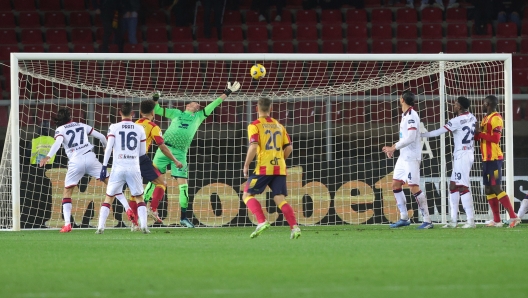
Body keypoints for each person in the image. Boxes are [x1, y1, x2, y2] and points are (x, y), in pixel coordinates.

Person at [143, 81, 241, 227]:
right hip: (164, 149)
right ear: (187, 106)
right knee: (153, 180)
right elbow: (155, 109)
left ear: (196, 109)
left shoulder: (199, 116)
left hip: (181, 153)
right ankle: (143, 208)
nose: (194, 103)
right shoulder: (176, 113)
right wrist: (155, 97)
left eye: (196, 104)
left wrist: (227, 92)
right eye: (192, 102)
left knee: (183, 187)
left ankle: (183, 217)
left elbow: (214, 105)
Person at [38, 107, 135, 232]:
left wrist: (48, 156)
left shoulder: (60, 129)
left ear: (59, 120)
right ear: (70, 117)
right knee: (111, 184)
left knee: (67, 192)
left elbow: (58, 143)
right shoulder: (81, 125)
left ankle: (67, 224)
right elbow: (101, 136)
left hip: (75, 161)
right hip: (90, 158)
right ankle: (127, 208)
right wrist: (106, 147)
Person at [242, 97, 301, 239]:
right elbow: (289, 147)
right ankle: (295, 227)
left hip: (263, 168)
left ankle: (261, 221)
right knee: (279, 198)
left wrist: (246, 165)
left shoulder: (254, 125)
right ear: (271, 108)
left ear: (256, 108)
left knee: (247, 194)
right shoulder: (279, 125)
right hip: (279, 168)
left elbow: (254, 145)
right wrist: (280, 160)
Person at [421, 97, 477, 228]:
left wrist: (422, 135)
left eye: (456, 104)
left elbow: (438, 132)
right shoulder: (472, 117)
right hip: (467, 153)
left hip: (462, 155)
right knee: (453, 186)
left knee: (462, 186)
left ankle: (470, 220)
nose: (454, 105)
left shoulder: (456, 121)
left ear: (460, 107)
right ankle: (453, 221)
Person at [382, 91, 433, 229]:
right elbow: (404, 136)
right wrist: (396, 148)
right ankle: (404, 217)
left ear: (402, 99)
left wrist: (394, 147)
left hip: (411, 157)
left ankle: (427, 220)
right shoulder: (404, 115)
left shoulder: (411, 115)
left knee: (413, 187)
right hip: (403, 156)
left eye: (400, 97)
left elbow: (411, 137)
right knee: (395, 185)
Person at [96, 103, 148, 234]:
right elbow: (142, 153)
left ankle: (100, 227)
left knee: (109, 197)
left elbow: (108, 148)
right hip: (133, 167)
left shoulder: (114, 127)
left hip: (118, 167)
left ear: (120, 113)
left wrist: (104, 166)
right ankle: (144, 226)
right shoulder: (140, 128)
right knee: (139, 198)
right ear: (133, 114)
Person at [133, 99, 183, 228]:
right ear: (153, 112)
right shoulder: (153, 126)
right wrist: (175, 160)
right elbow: (162, 146)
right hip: (141, 160)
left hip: (127, 160)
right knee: (162, 183)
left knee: (134, 191)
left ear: (140, 112)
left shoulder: (134, 124)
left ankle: (134, 223)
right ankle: (153, 209)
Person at [474, 95, 520, 228]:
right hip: (486, 159)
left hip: (494, 158)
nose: (482, 105)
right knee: (488, 189)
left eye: (483, 103)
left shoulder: (496, 118)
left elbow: (495, 139)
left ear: (487, 104)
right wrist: (476, 132)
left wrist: (480, 133)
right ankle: (497, 220)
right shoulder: (485, 118)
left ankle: (513, 216)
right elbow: (479, 137)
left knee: (495, 186)